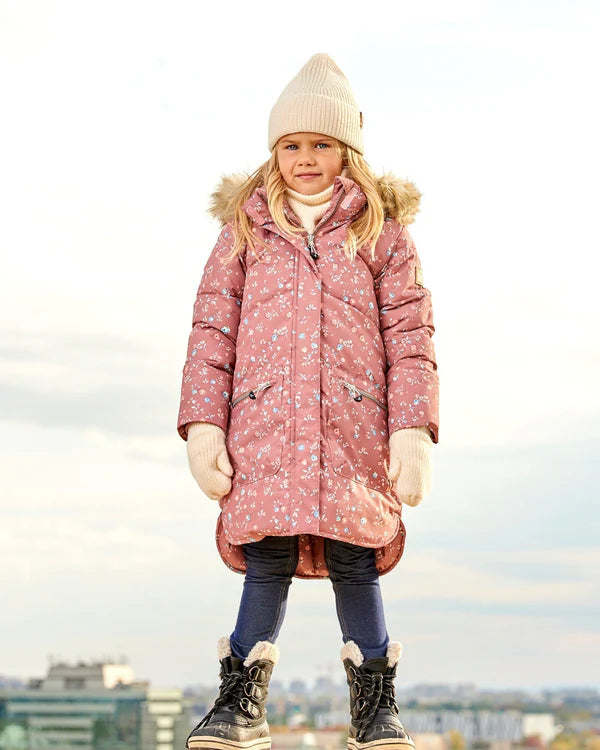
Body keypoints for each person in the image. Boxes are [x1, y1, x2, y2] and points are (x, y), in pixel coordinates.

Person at [177, 53, 439, 750]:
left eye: (321, 144)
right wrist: (204, 428)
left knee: (356, 556)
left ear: (347, 149)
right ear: (274, 153)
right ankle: (239, 704)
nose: (304, 158)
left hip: (353, 431)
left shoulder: (382, 232)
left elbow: (410, 333)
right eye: (291, 145)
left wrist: (412, 430)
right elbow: (211, 328)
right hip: (262, 431)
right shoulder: (244, 232)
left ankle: (374, 707)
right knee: (267, 554)